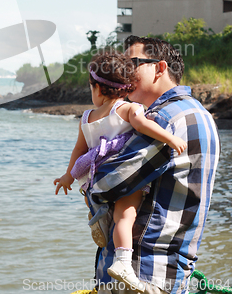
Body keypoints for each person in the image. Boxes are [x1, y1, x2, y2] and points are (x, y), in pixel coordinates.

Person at [86, 36, 220, 294]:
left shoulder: (162, 119)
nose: (124, 71)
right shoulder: (200, 114)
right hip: (172, 270)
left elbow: (105, 185)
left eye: (131, 63)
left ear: (160, 68)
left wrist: (85, 176)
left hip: (141, 274)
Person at [53, 50, 187, 291]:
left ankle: (98, 221)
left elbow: (78, 152)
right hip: (121, 176)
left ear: (97, 88)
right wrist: (170, 138)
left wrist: (66, 177)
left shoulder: (87, 117)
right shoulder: (127, 109)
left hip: (94, 179)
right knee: (125, 217)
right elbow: (143, 125)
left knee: (105, 211)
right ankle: (123, 262)